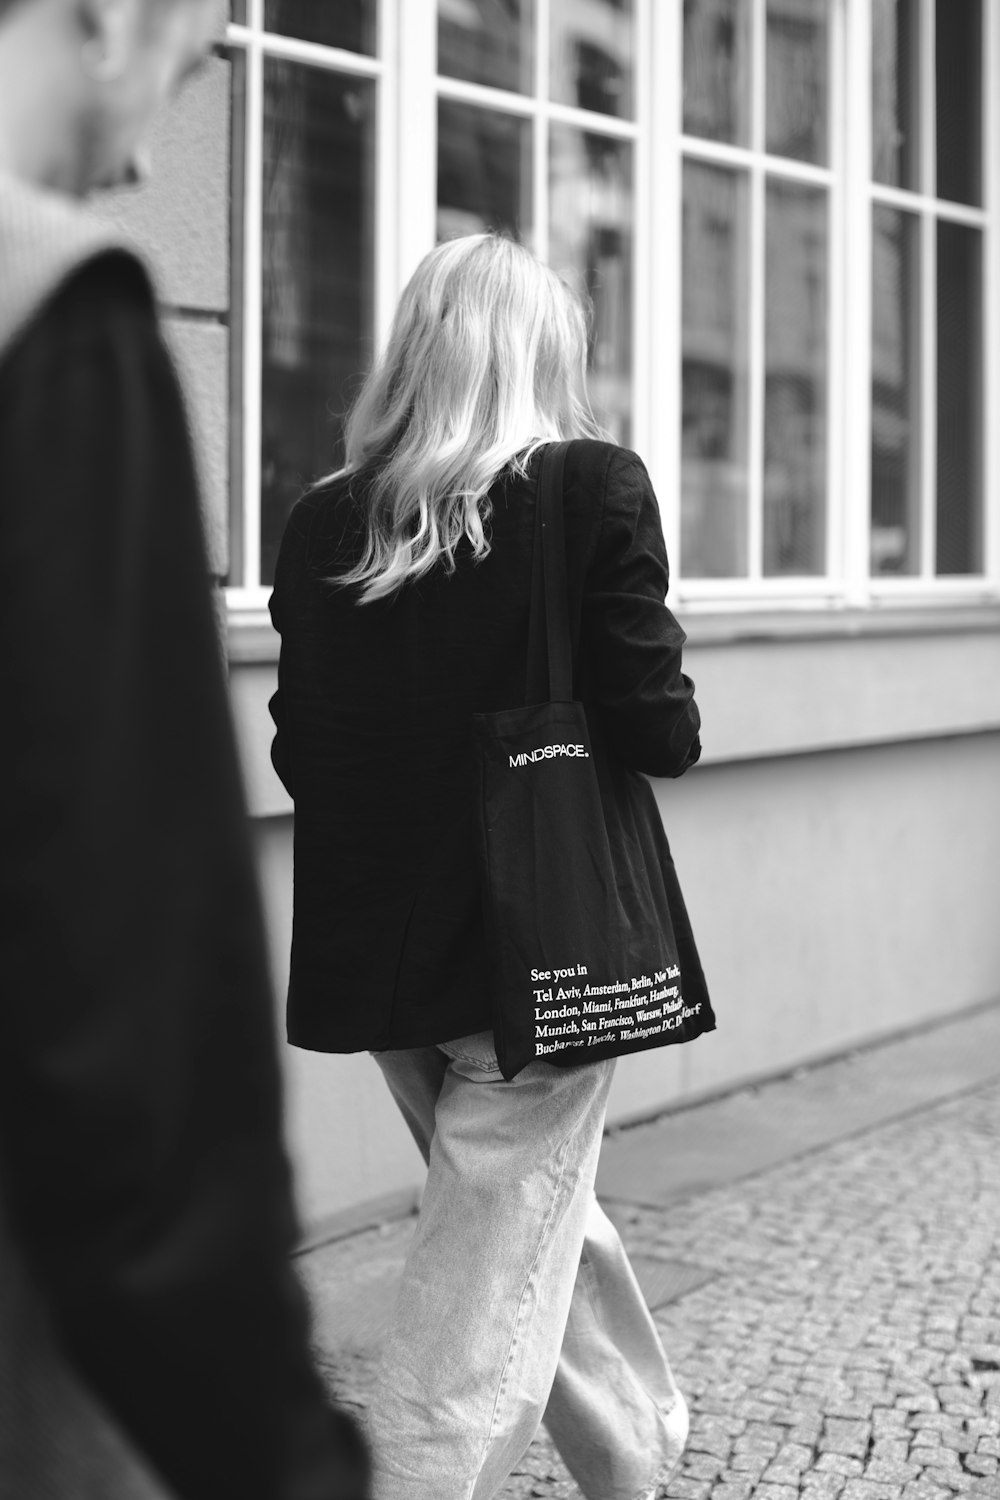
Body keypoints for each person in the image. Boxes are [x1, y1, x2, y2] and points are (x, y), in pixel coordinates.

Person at [268, 233, 708, 1500]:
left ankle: (632, 1449)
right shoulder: (592, 490)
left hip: (377, 952)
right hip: (546, 945)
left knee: (506, 1225)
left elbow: (305, 744)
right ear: (538, 359)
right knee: (480, 1279)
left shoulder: (320, 520)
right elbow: (659, 732)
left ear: (414, 357)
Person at [0, 1, 368, 1496]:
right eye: (195, 37)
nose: (219, 56)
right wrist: (274, 1454)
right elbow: (133, 995)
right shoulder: (57, 324)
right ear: (96, 16)